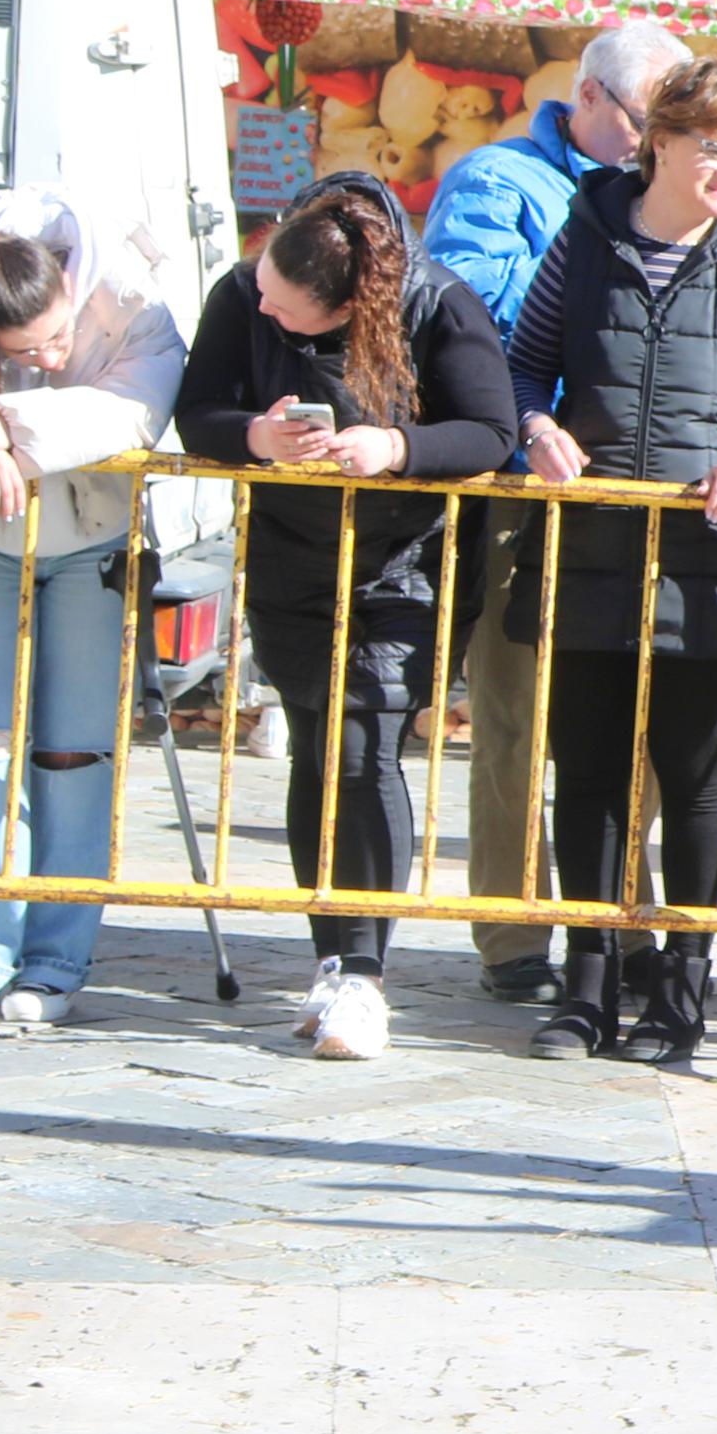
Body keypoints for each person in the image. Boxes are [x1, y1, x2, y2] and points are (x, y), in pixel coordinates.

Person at [506, 59, 717, 1064]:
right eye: (711, 148)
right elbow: (525, 360)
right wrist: (534, 428)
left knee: (694, 780)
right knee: (588, 776)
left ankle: (680, 998)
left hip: (704, 554)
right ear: (661, 145)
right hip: (593, 538)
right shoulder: (587, 233)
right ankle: (587, 988)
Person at [173, 175, 518, 1062]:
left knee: (366, 750)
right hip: (292, 558)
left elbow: (490, 428)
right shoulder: (247, 292)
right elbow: (198, 409)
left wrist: (394, 448)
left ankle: (364, 974)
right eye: (265, 299)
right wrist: (257, 435)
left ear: (348, 305)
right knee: (317, 744)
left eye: (291, 314)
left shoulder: (436, 300)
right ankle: (332, 959)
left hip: (403, 565)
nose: (269, 314)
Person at [416, 16, 687, 1010]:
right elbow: (469, 312)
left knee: (643, 720)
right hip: (530, 491)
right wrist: (611, 276)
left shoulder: (666, 191)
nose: (660, 142)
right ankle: (510, 928)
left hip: (637, 485)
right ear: (591, 100)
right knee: (515, 716)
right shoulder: (499, 181)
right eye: (648, 121)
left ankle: (622, 906)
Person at [0, 202, 181, 1032]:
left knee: (75, 753)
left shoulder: (129, 295)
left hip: (94, 536)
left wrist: (3, 421)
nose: (47, 357)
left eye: (54, 338)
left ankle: (55, 959)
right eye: (22, 353)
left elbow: (137, 407)